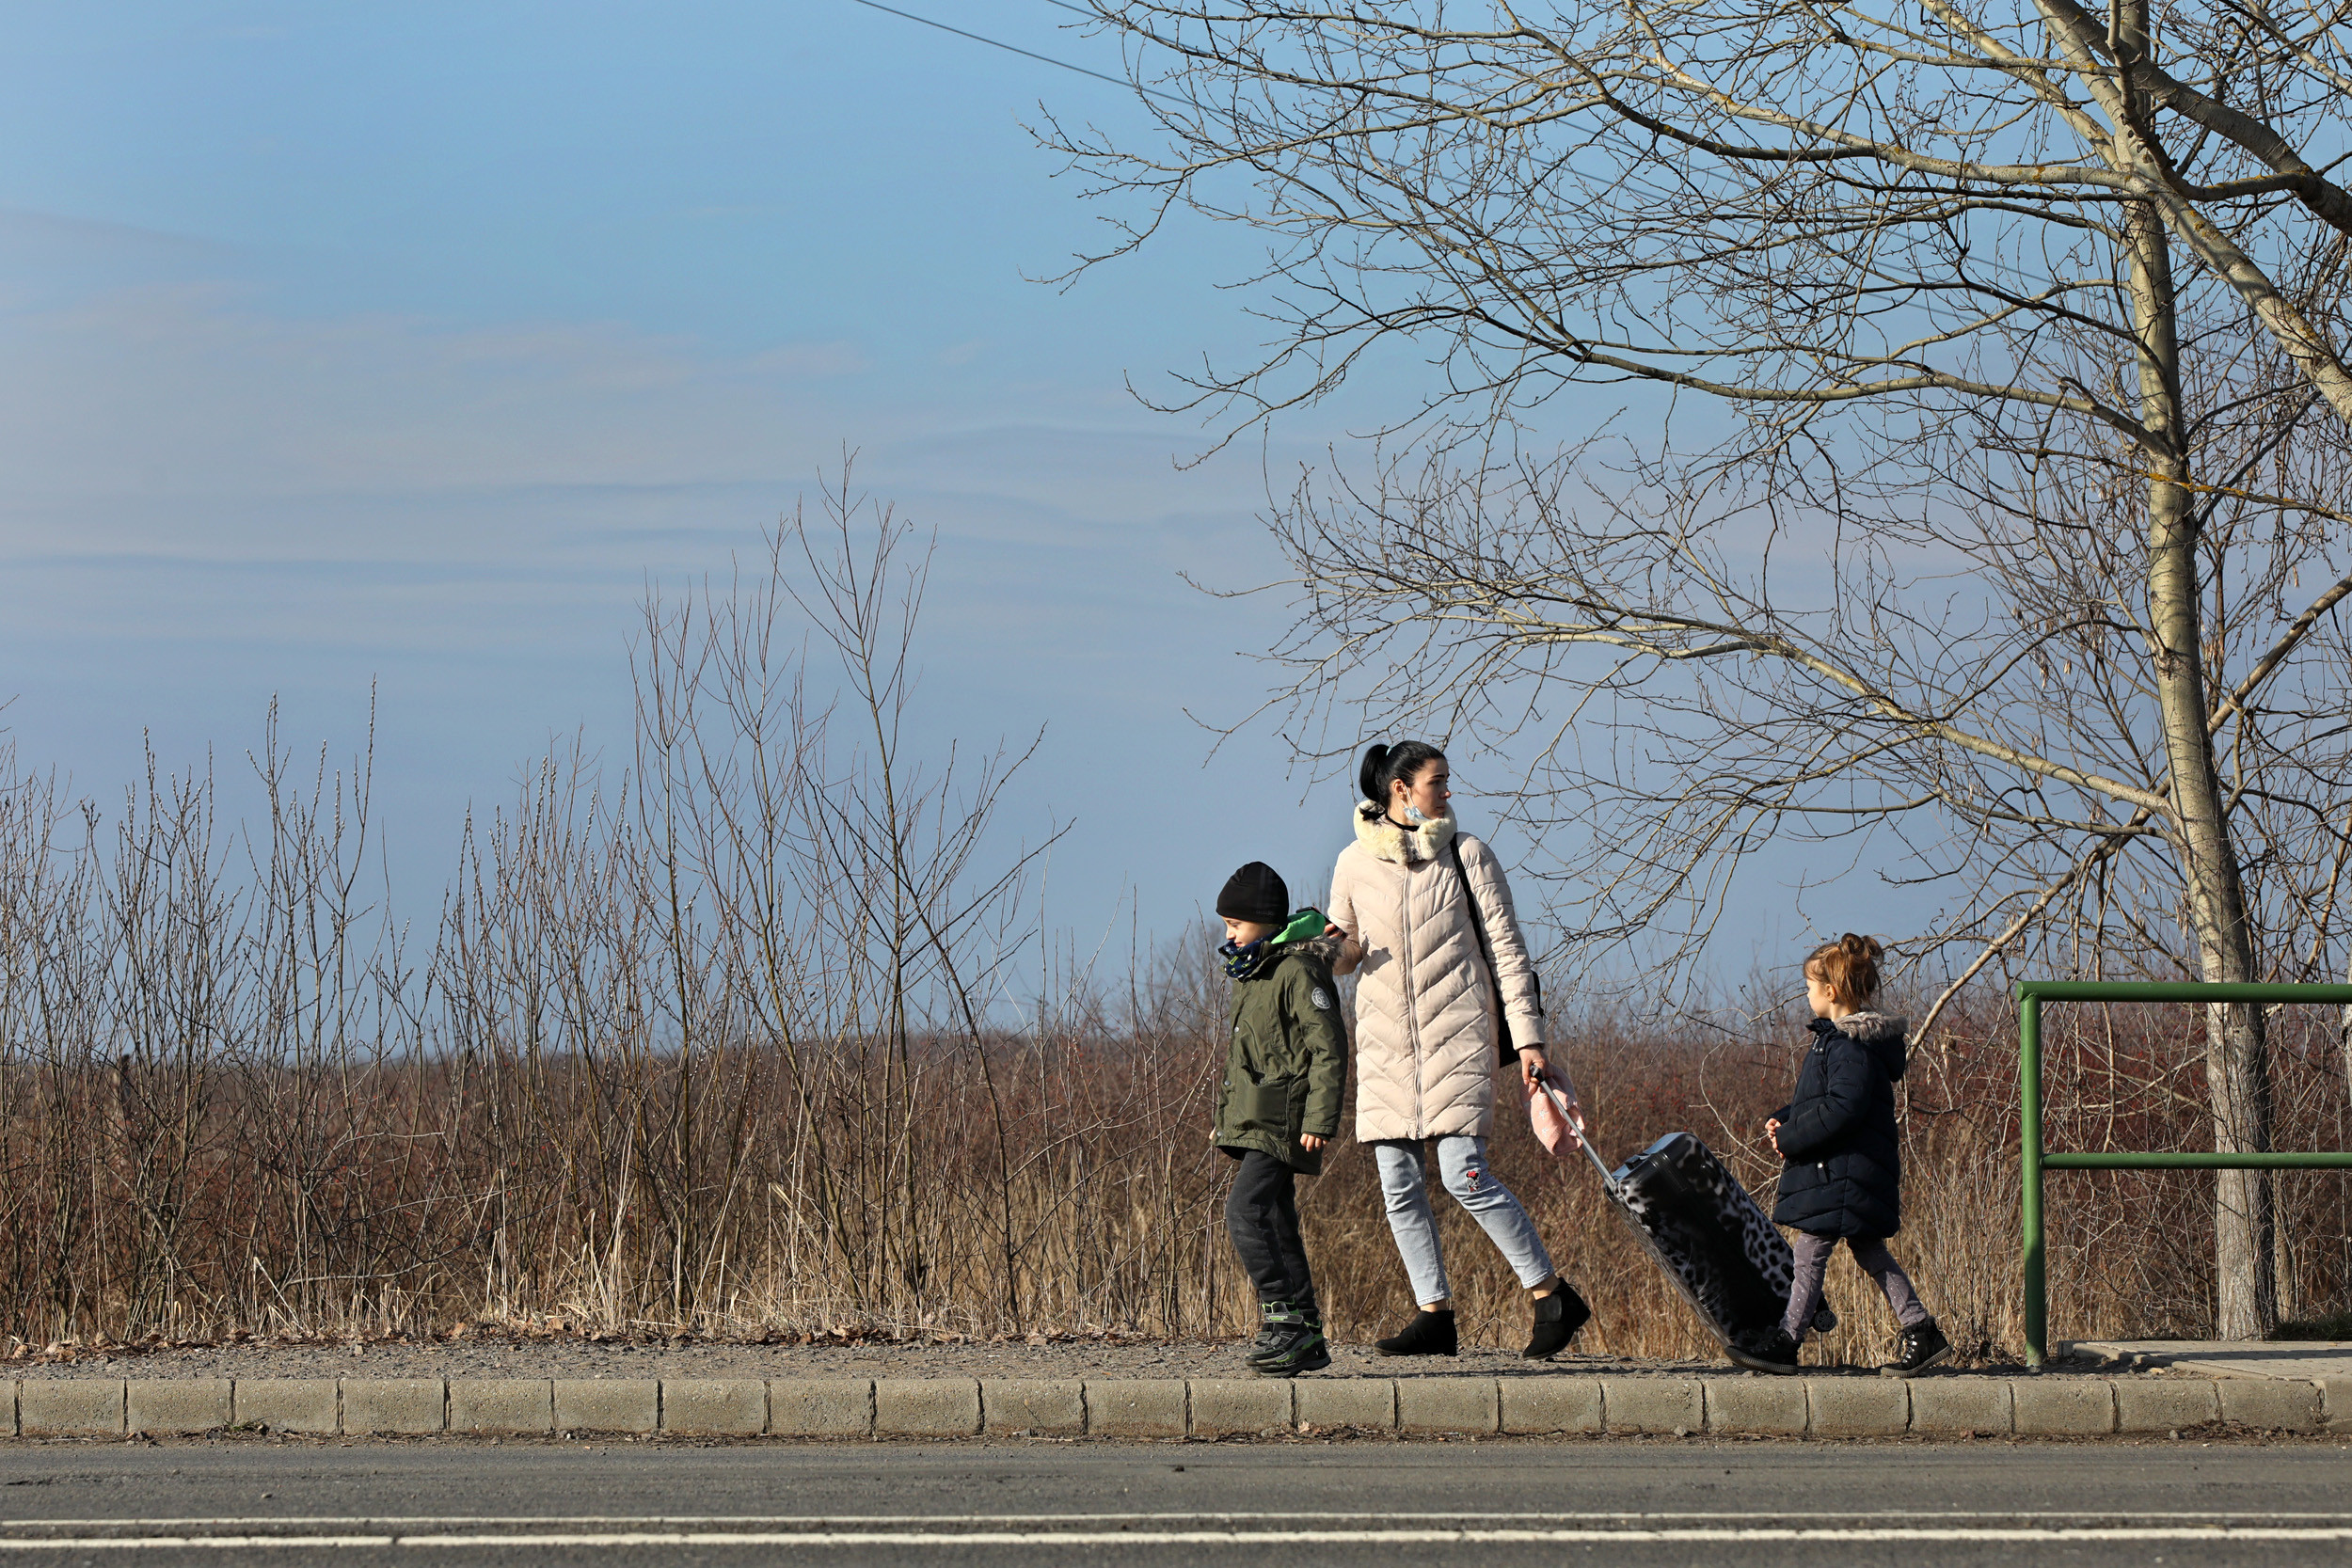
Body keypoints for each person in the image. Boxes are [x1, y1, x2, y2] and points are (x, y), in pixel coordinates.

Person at [1326, 740, 1590, 1359]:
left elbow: (1508, 950)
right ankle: (1434, 1315)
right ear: (1400, 790)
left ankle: (1551, 1294)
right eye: (1436, 781)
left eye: (1445, 781)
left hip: (1458, 1038)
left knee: (1464, 1175)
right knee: (1397, 1182)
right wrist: (1324, 947)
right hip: (1386, 1045)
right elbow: (1345, 955)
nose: (1447, 791)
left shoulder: (1467, 855)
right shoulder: (1352, 863)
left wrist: (1529, 1040)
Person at [1745, 933, 1952, 1377]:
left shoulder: (1849, 1046)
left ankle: (1787, 1339)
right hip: (1847, 1172)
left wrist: (1794, 1138)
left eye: (1808, 986)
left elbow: (1843, 1109)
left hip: (1842, 1173)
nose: (1805, 994)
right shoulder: (1841, 1043)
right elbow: (1823, 1099)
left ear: (1831, 992)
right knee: (1868, 1251)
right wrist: (1786, 1117)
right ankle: (1921, 1329)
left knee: (1810, 1252)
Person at [1211, 861, 1348, 1377]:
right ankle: (1307, 1334)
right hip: (1256, 1120)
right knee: (1276, 1219)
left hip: (1287, 1121)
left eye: (1235, 925)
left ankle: (1282, 1320)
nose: (1229, 934)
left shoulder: (1297, 970)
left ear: (1265, 921)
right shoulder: (1255, 972)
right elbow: (1248, 1058)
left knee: (1244, 1213)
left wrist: (1320, 1119)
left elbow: (1328, 1049)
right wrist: (1227, 1119)